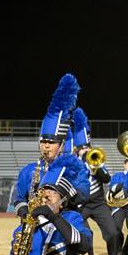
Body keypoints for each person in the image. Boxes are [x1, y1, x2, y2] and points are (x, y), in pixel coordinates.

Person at [12, 74, 78, 220]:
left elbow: (82, 197)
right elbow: (19, 199)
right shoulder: (28, 171)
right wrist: (24, 212)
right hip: (34, 225)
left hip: (63, 224)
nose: (46, 146)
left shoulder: (72, 170)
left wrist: (58, 201)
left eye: (52, 142)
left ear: (61, 146)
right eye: (43, 142)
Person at [72, 107, 122, 255]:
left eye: (88, 146)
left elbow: (106, 178)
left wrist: (96, 168)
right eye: (83, 147)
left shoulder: (96, 159)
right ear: (77, 149)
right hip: (80, 204)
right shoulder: (72, 162)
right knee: (71, 233)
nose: (87, 149)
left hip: (99, 203)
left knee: (113, 233)